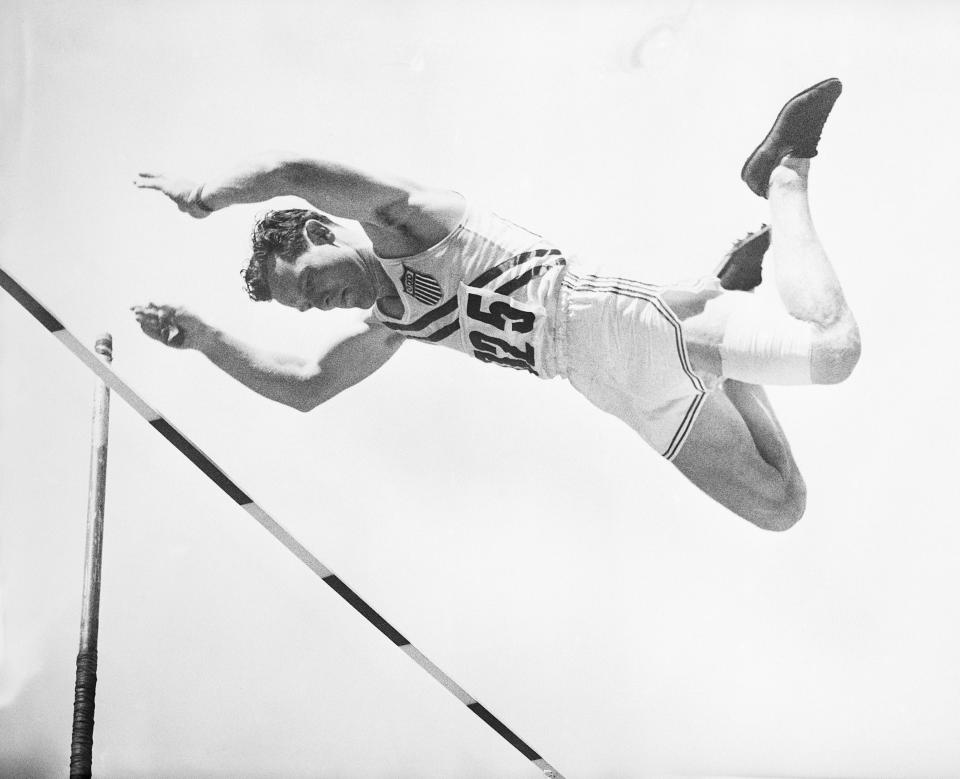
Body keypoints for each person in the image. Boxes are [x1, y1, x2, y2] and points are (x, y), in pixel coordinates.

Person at [132, 78, 860, 532]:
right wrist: (204, 339)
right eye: (309, 307)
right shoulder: (395, 323)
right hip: (607, 386)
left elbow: (290, 171)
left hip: (608, 317)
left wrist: (211, 194)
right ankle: (728, 306)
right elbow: (306, 385)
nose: (324, 301)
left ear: (322, 227)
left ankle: (783, 175)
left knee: (833, 350)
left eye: (311, 280)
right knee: (780, 503)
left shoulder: (408, 220)